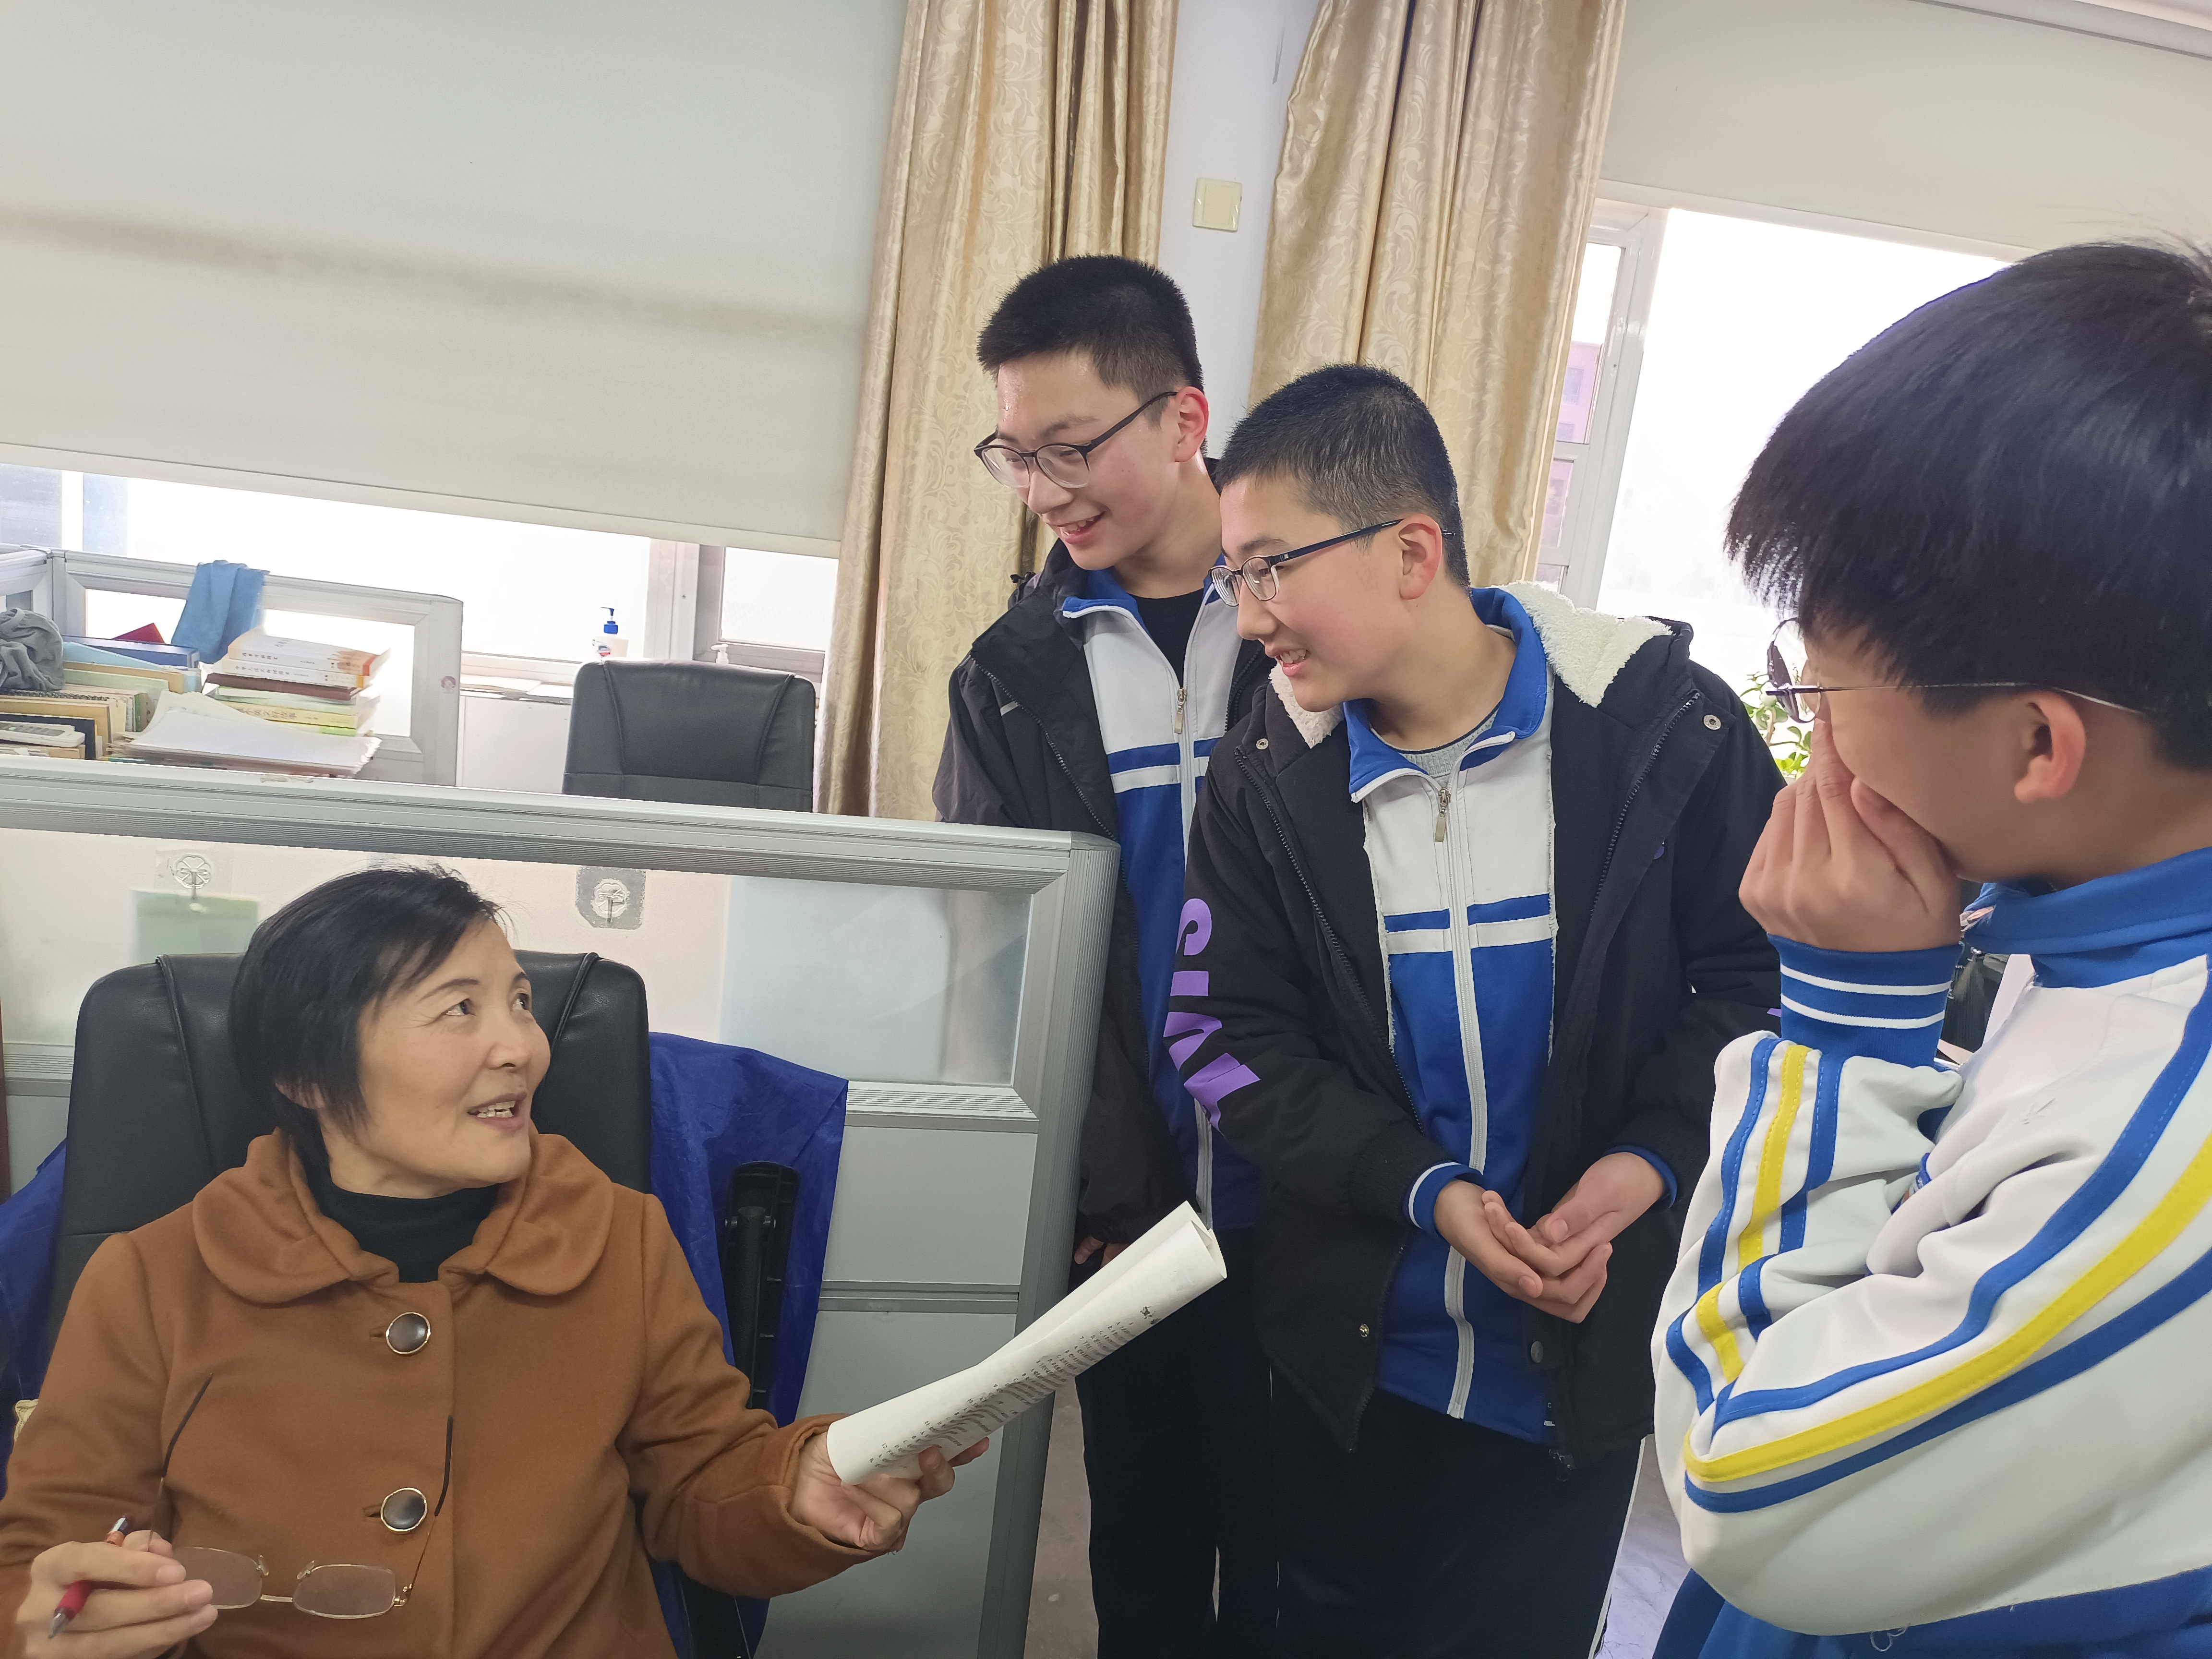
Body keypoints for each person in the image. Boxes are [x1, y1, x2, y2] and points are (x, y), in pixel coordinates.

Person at [1167, 363, 1782, 1657]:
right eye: (1235, 574)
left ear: (1410, 551)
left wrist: (1649, 1162)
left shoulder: (1664, 732)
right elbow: (1223, 1038)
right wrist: (1426, 1188)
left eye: (1272, 567)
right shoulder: (1266, 777)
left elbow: (1756, 983)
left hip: (1573, 1357)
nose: (1249, 613)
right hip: (1347, 1357)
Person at [1653, 242, 2212, 1658]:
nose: (1812, 740)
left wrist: (1844, 1032)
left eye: (1822, 691)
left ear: (2037, 743)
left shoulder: (2171, 1118)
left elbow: (1747, 1492)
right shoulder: (2082, 913)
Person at [0, 866, 978, 1658]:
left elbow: (700, 1489)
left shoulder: (618, 1240)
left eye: (518, 1002)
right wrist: (57, 1620)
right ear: (306, 1076)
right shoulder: (155, 1281)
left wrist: (797, 1492)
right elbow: (46, 1558)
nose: (521, 1047)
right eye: (458, 1010)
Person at [933, 255, 1274, 1656]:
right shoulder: (1013, 676)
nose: (1043, 490)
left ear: (1185, 419)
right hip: (1132, 1206)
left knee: (1303, 1556)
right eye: (1018, 456)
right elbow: (996, 953)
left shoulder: (1310, 625)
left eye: (1070, 449)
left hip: (1318, 1190)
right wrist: (1084, 1182)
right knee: (1144, 1535)